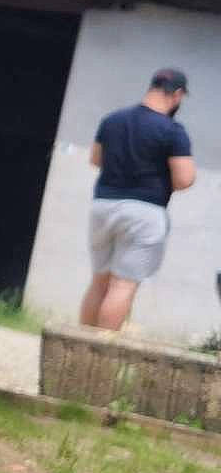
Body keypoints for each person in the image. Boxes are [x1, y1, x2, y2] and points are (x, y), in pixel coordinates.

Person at [81, 68, 196, 332]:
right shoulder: (172, 131)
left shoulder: (112, 120)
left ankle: (78, 349)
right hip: (144, 212)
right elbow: (184, 179)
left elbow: (95, 159)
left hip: (103, 206)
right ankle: (102, 357)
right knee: (123, 285)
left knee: (99, 281)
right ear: (177, 95)